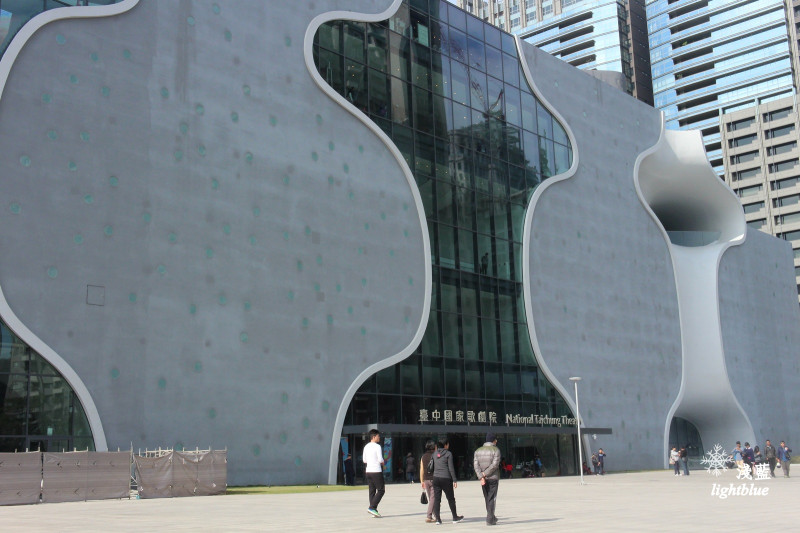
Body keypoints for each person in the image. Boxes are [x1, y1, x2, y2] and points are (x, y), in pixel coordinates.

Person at [431, 439, 463, 524]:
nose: (448, 446)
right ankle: (455, 517)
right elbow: (451, 468)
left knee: (437, 499)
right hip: (446, 478)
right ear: (445, 445)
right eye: (448, 444)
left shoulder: (434, 454)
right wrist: (454, 480)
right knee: (451, 499)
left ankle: (438, 519)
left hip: (436, 478)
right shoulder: (448, 454)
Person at [473, 433, 501, 526]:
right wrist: (484, 474)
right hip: (492, 477)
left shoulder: (477, 451)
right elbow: (495, 465)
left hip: (483, 479)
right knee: (492, 498)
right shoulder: (496, 450)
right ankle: (490, 519)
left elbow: (476, 465)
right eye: (496, 440)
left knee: (487, 497)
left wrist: (481, 476)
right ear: (493, 440)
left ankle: (492, 516)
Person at [363, 429, 385, 518]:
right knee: (381, 490)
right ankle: (372, 507)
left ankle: (373, 509)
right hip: (376, 470)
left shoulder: (366, 447)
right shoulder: (377, 446)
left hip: (368, 470)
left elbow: (364, 460)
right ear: (373, 437)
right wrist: (383, 462)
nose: (379, 437)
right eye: (378, 436)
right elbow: (380, 459)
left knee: (372, 491)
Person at [420, 440, 436, 523]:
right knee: (433, 498)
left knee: (432, 498)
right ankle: (429, 516)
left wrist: (422, 481)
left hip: (426, 480)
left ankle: (436, 515)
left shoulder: (423, 456)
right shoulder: (435, 455)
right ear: (433, 447)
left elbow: (421, 469)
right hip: (434, 479)